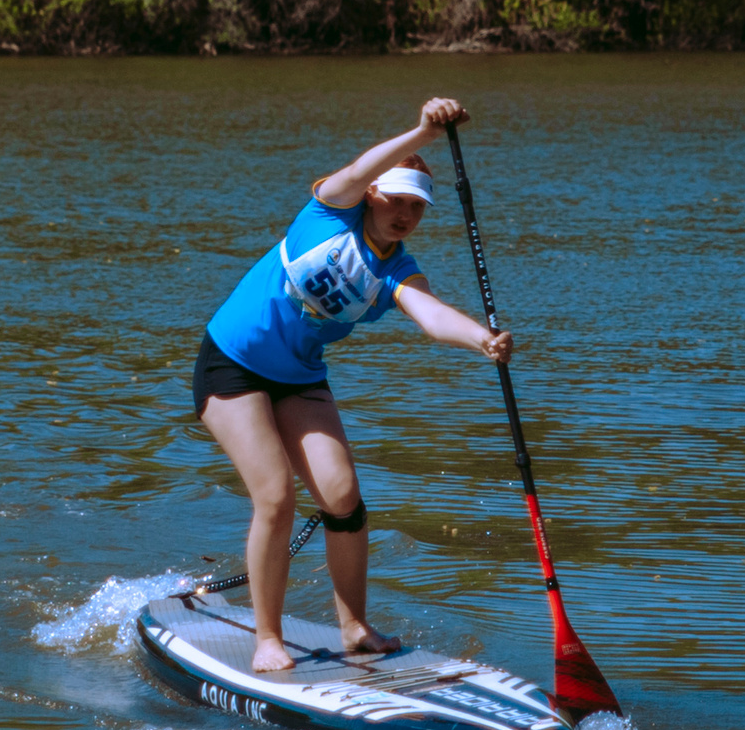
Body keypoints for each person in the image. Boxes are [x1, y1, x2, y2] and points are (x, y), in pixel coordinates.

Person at [193, 96, 513, 673]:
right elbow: (360, 169)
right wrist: (421, 131)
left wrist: (482, 339)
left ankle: (356, 628)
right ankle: (268, 639)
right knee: (276, 495)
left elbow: (432, 315)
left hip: (298, 376)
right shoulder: (329, 211)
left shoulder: (396, 268)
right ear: (371, 193)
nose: (404, 214)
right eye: (395, 200)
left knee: (343, 499)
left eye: (417, 208)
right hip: (231, 363)